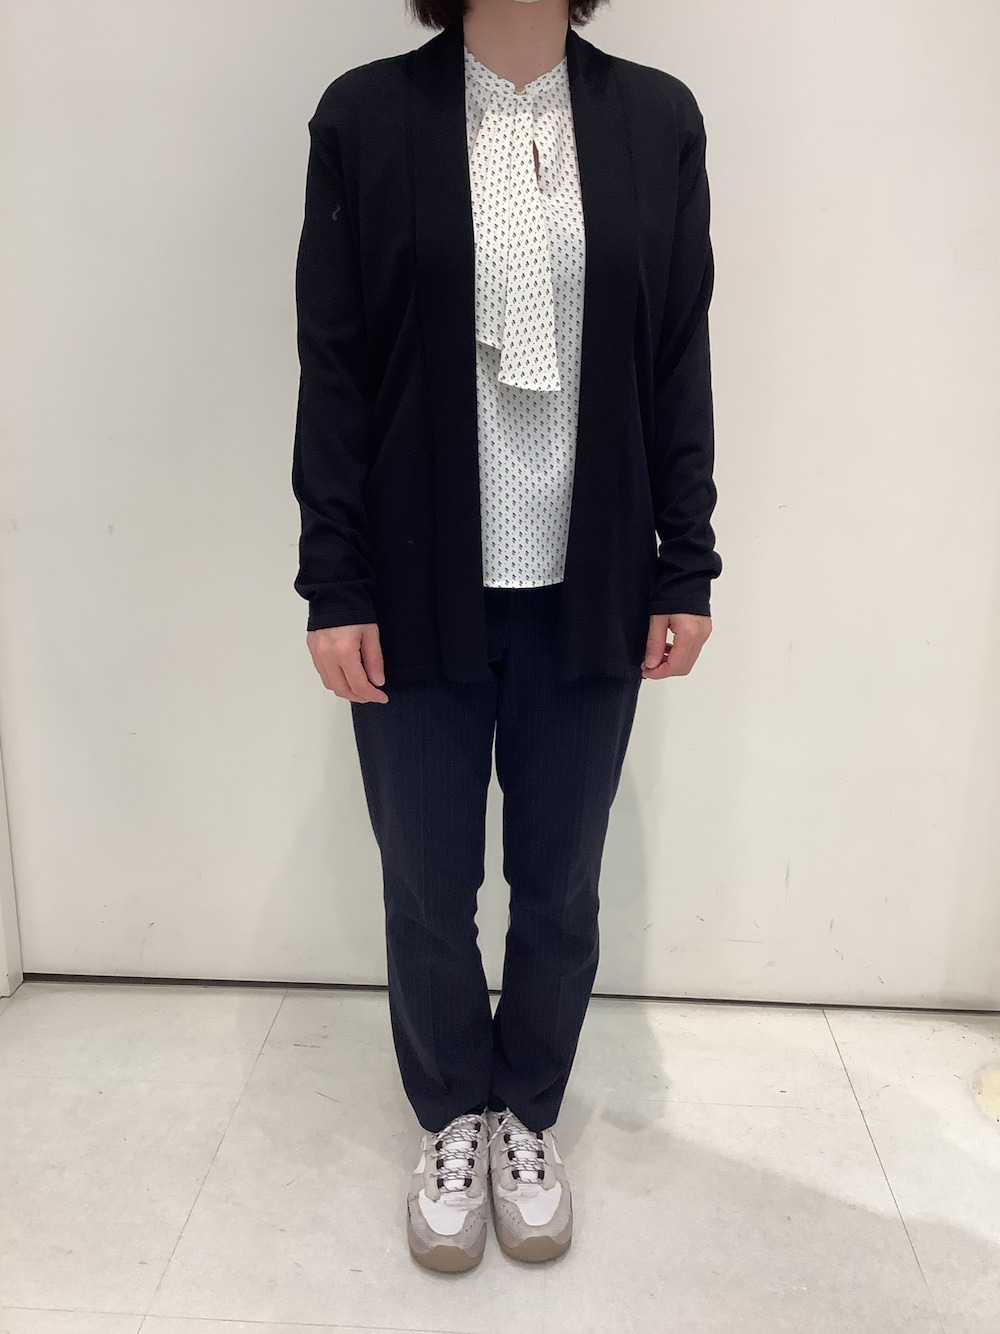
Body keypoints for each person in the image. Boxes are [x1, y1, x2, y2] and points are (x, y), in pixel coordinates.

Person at [291, 0, 722, 1273]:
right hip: (416, 586)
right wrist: (335, 578)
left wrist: (685, 558)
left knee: (561, 883)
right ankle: (450, 1113)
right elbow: (334, 363)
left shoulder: (655, 119)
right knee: (426, 885)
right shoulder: (367, 117)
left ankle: (525, 1109)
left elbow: (678, 351)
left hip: (592, 583)